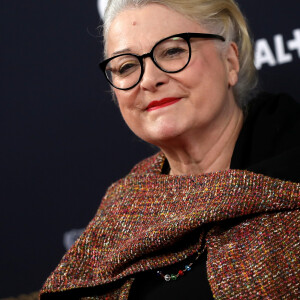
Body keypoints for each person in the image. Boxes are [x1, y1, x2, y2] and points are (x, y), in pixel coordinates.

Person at [40, 0, 300, 299]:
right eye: (126, 67)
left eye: (173, 51)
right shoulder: (123, 203)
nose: (149, 80)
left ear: (230, 61)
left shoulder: (291, 176)